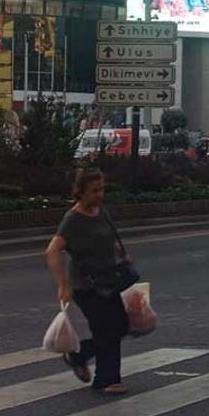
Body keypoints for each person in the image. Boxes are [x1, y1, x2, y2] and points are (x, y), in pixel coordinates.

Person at [45, 169, 130, 394]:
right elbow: (52, 251)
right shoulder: (73, 219)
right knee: (105, 329)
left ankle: (79, 355)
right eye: (94, 191)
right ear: (80, 192)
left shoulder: (100, 212)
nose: (100, 195)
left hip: (110, 279)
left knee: (120, 325)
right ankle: (108, 379)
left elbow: (109, 238)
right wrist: (63, 284)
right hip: (86, 284)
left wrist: (120, 254)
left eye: (102, 189)